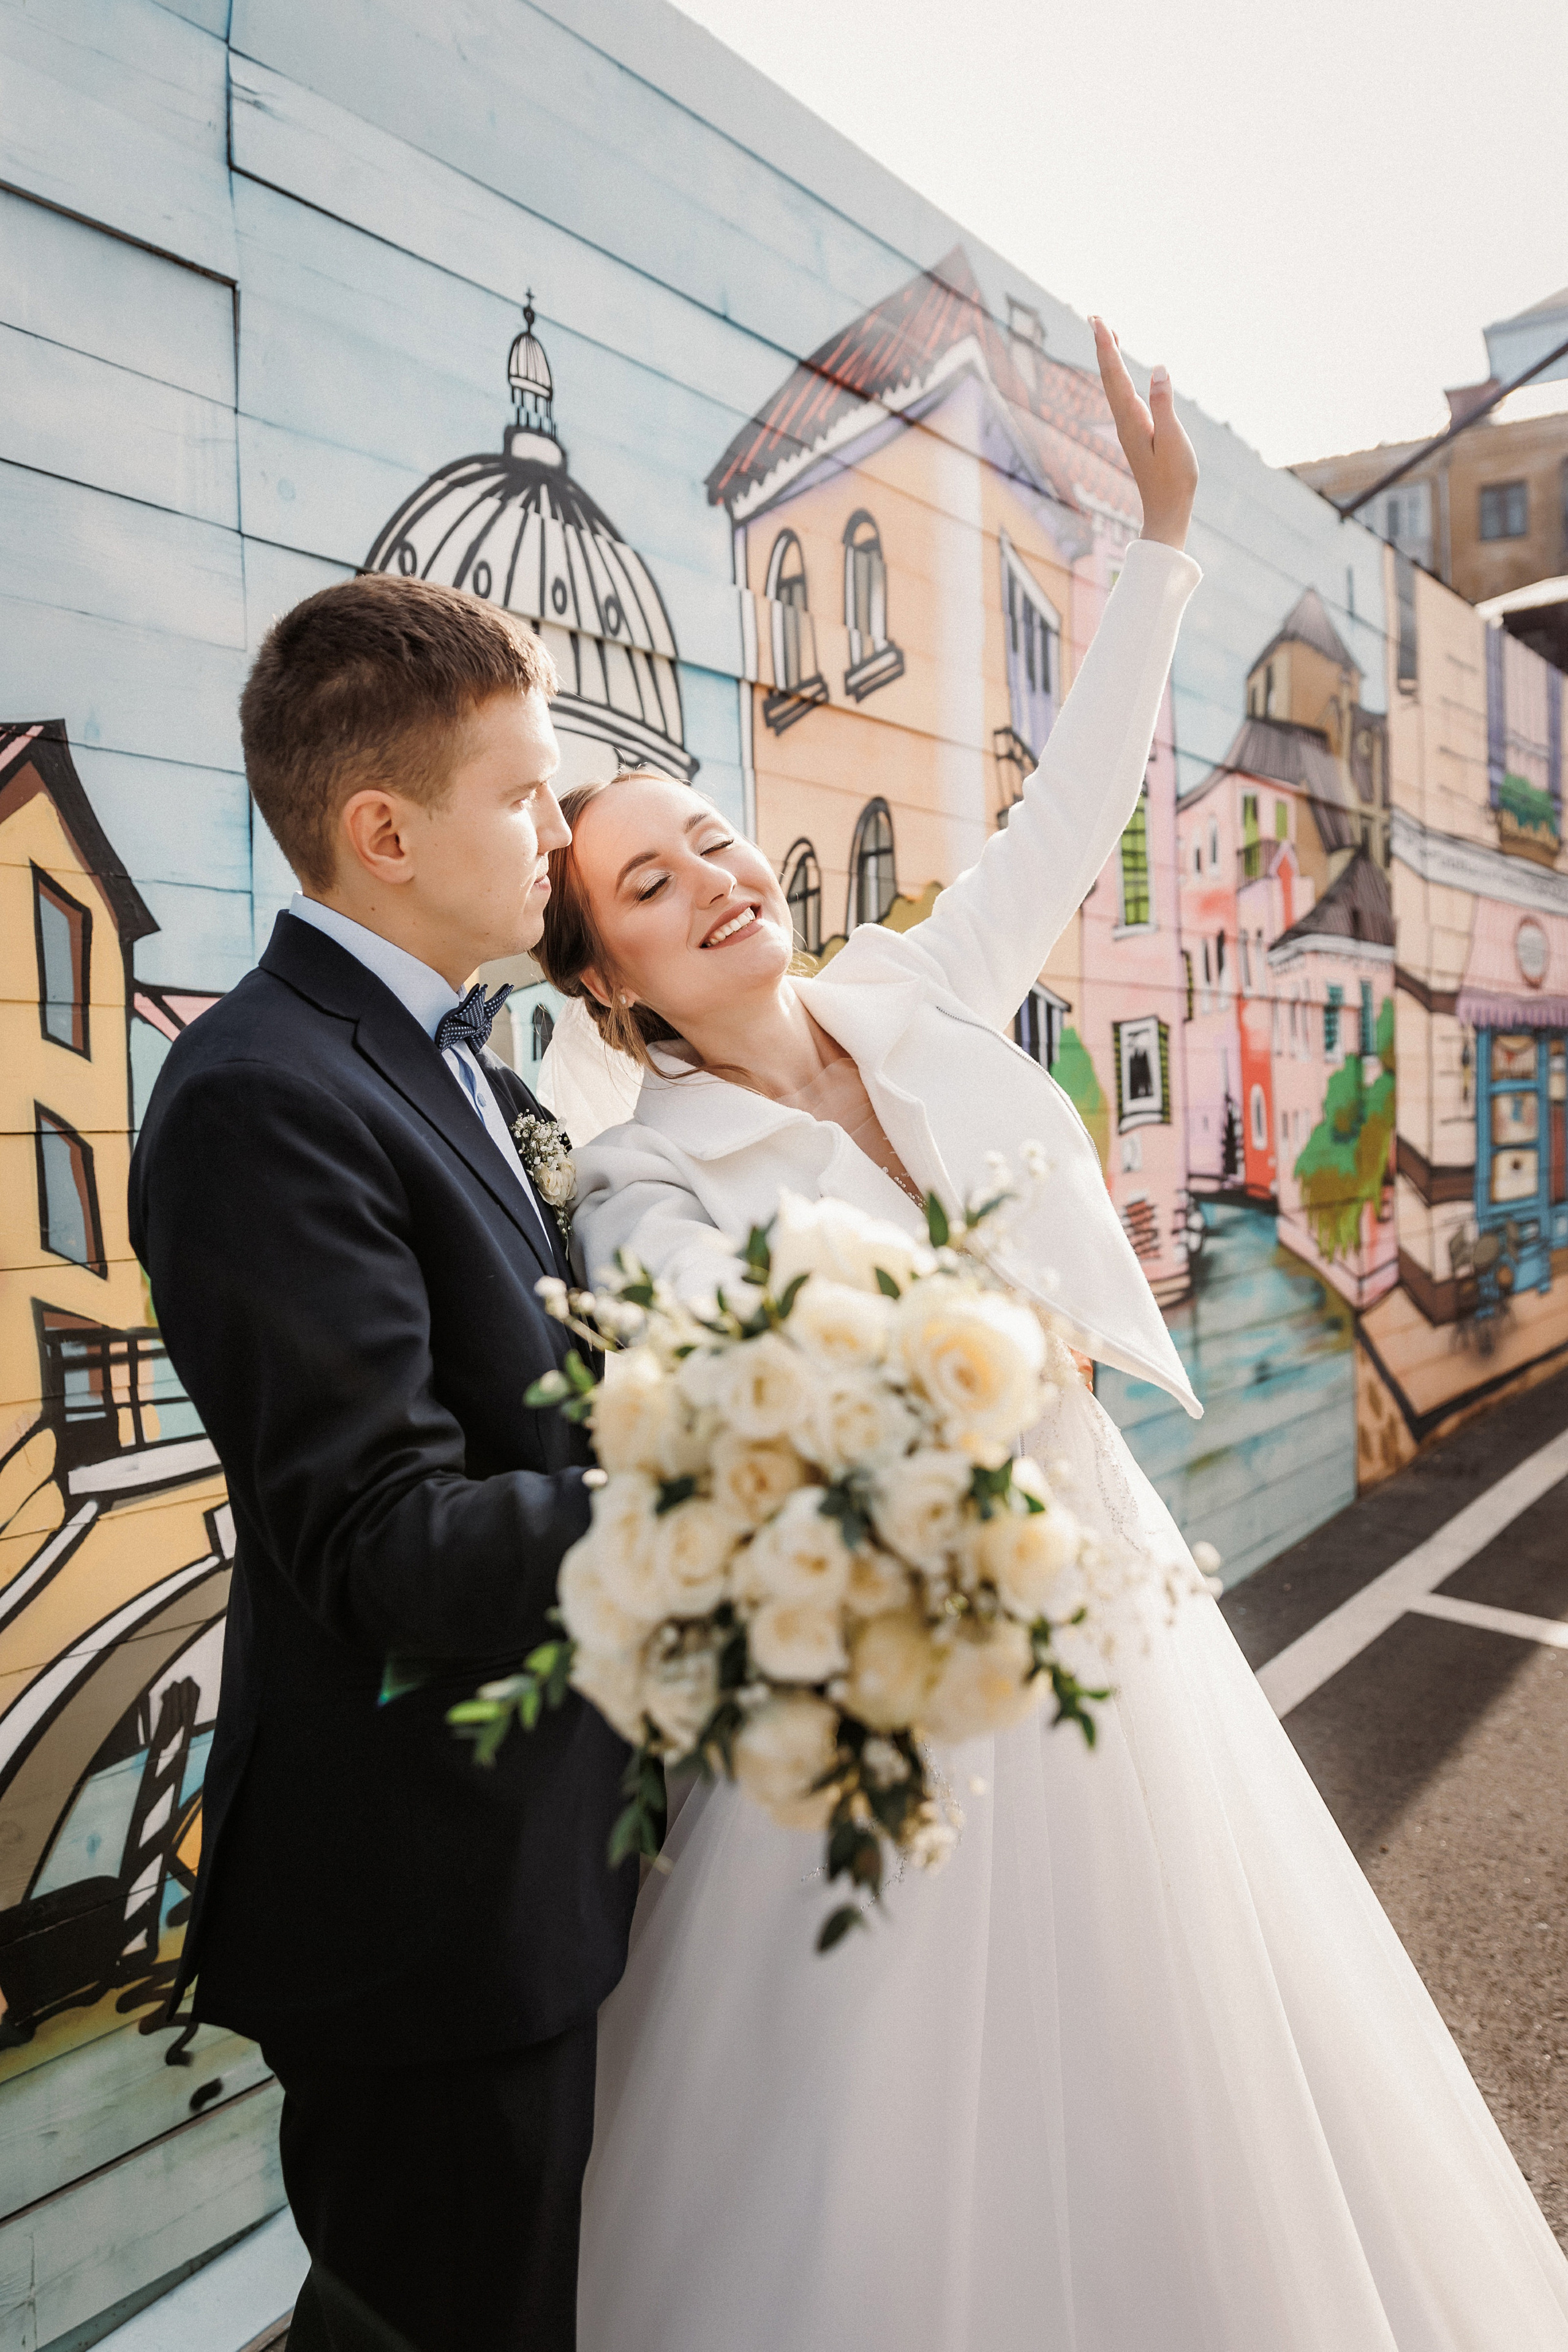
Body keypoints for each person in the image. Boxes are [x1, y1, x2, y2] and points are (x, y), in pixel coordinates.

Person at [537, 321, 1568, 2351]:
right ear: (619, 986)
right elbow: (746, 1401)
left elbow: (1075, 801)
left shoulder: (912, 983)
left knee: (1188, 2035)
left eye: (715, 841)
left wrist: (1164, 546)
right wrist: (966, 1352)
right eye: (652, 887)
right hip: (890, 1667)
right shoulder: (643, 1182)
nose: (721, 883)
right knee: (890, 2119)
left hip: (1091, 1578)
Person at [129, 578, 637, 2352]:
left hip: (534, 1868)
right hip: (425, 1914)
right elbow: (389, 1547)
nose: (558, 831)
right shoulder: (267, 1094)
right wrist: (726, 1488)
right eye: (525, 794)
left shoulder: (447, 1055)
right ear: (382, 830)